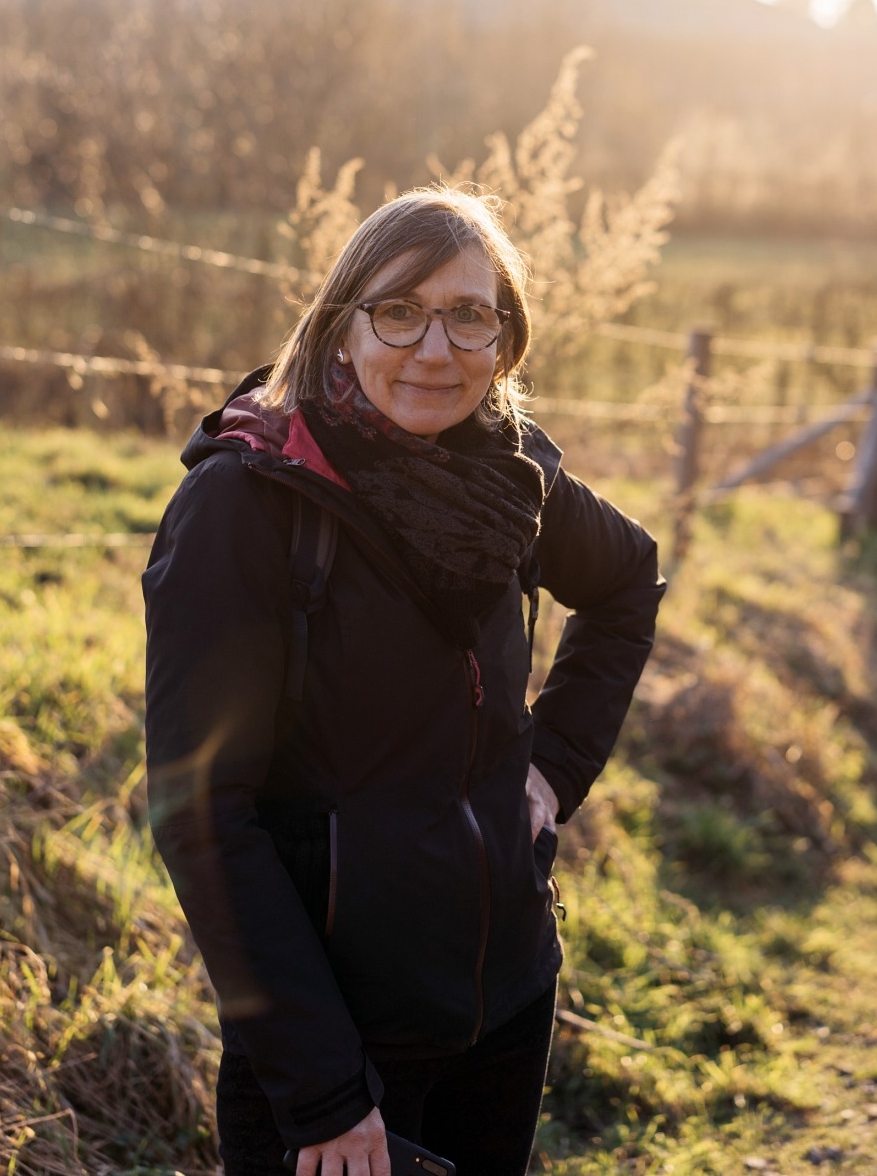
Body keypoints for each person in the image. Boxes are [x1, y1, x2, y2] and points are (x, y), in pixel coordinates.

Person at [143, 188, 664, 1176]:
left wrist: (551, 769)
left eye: (469, 315)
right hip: (338, 1044)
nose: (434, 348)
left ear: (505, 341)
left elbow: (625, 583)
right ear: (340, 328)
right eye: (398, 311)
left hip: (505, 1002)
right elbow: (200, 811)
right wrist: (326, 1094)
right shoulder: (246, 502)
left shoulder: (509, 477)